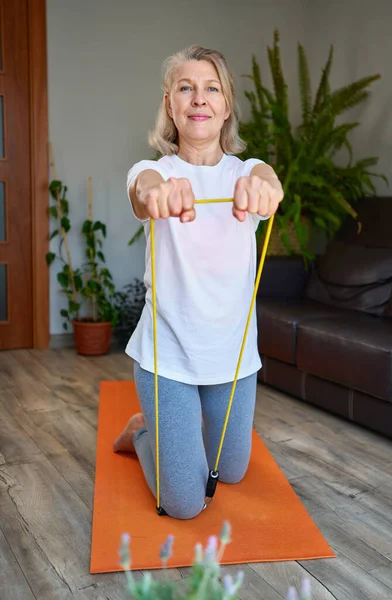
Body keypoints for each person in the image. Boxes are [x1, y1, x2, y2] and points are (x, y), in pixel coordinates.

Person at [113, 45, 284, 519]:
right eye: (185, 88)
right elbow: (141, 187)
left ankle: (174, 436)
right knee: (186, 503)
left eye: (212, 88)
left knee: (231, 472)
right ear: (170, 104)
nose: (198, 98)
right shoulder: (157, 172)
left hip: (232, 358)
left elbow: (269, 181)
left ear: (226, 105)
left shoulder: (245, 173)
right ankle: (143, 431)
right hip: (168, 357)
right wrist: (157, 194)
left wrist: (265, 190)